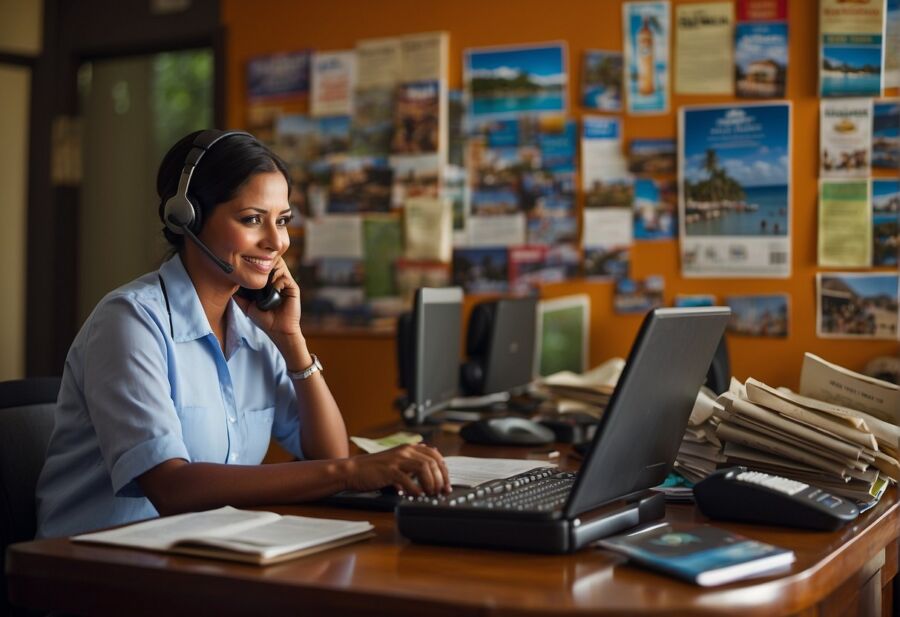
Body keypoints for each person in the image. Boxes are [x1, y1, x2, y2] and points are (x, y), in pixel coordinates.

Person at [35, 130, 449, 538]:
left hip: (205, 556)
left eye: (282, 221)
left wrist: (292, 342)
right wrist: (350, 471)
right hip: (98, 572)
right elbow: (171, 488)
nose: (276, 242)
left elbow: (328, 454)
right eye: (252, 219)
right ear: (187, 216)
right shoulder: (130, 321)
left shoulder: (254, 324)